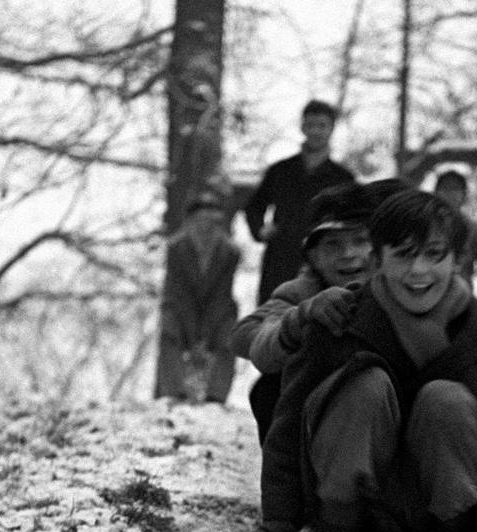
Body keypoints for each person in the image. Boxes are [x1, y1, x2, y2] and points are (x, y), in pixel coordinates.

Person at [223, 188, 477, 532]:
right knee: (362, 383)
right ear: (381, 257)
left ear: (457, 261)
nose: (418, 271)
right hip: (360, 508)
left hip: (441, 508)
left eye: (434, 255)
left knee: (446, 399)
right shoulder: (338, 314)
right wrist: (279, 522)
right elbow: (287, 416)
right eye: (403, 255)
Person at [229, 181, 385, 443]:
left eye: (360, 241)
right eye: (333, 245)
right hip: (324, 417)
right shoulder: (304, 291)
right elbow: (246, 334)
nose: (348, 254)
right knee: (268, 390)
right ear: (312, 257)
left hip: (387, 415)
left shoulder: (400, 288)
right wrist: (300, 319)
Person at [242, 99, 358, 304]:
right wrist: (260, 230)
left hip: (326, 261)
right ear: (302, 127)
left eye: (322, 125)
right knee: (272, 317)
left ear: (331, 129)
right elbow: (254, 205)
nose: (315, 131)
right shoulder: (281, 171)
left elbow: (355, 219)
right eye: (310, 125)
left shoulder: (343, 178)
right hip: (281, 257)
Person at [153, 188, 241, 404]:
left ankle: (216, 397)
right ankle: (173, 393)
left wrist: (206, 330)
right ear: (190, 220)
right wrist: (193, 331)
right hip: (181, 308)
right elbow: (176, 293)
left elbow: (222, 295)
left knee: (230, 337)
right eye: (201, 219)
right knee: (169, 329)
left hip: (217, 311)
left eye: (212, 220)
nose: (206, 226)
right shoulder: (176, 248)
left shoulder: (230, 252)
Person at [433, 168, 477, 304]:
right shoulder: (424, 226)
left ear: (464, 195)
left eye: (455, 189)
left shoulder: (474, 230)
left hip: (461, 299)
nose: (449, 194)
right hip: (427, 298)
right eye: (444, 189)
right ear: (435, 193)